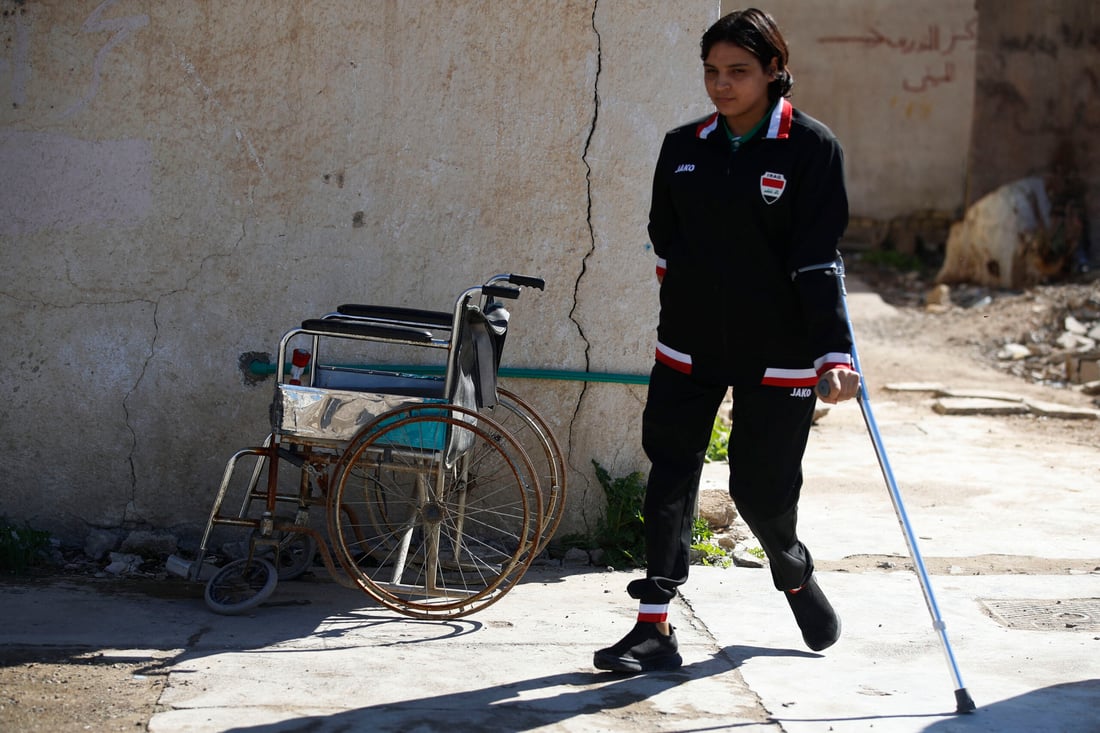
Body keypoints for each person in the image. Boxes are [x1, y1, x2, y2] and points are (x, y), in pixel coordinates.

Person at [594, 8, 862, 673]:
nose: (721, 85)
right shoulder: (684, 146)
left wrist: (833, 354)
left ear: (774, 70)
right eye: (711, 71)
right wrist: (687, 301)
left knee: (761, 492)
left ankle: (792, 567)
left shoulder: (812, 148)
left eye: (738, 71)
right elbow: (664, 238)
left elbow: (817, 258)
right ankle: (654, 625)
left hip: (780, 352)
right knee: (671, 471)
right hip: (689, 345)